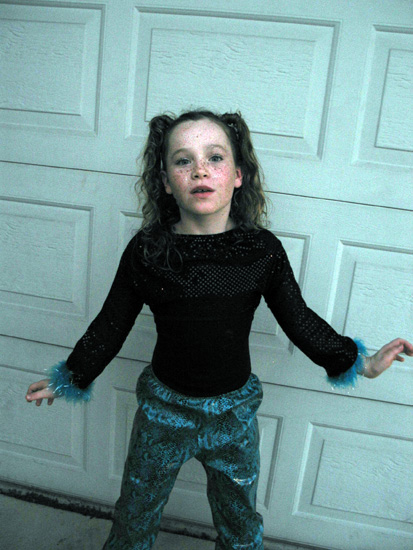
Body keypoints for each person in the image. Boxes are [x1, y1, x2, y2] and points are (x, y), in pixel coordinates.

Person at [26, 110, 413, 550]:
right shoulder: (148, 251)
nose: (200, 170)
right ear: (166, 181)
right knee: (135, 515)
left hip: (234, 415)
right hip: (162, 412)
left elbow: (299, 319)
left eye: (214, 157)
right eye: (183, 160)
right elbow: (111, 323)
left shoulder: (261, 251)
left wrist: (361, 363)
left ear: (238, 175)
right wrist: (69, 377)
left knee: (240, 524)